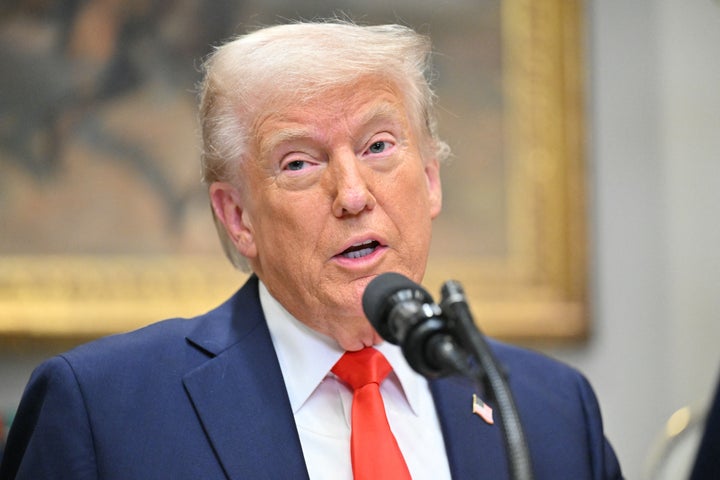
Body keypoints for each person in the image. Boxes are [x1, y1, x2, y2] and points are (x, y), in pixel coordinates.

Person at [0, 20, 623, 479]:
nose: (352, 194)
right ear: (237, 216)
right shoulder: (105, 411)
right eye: (299, 162)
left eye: (379, 146)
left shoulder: (550, 410)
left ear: (431, 179)